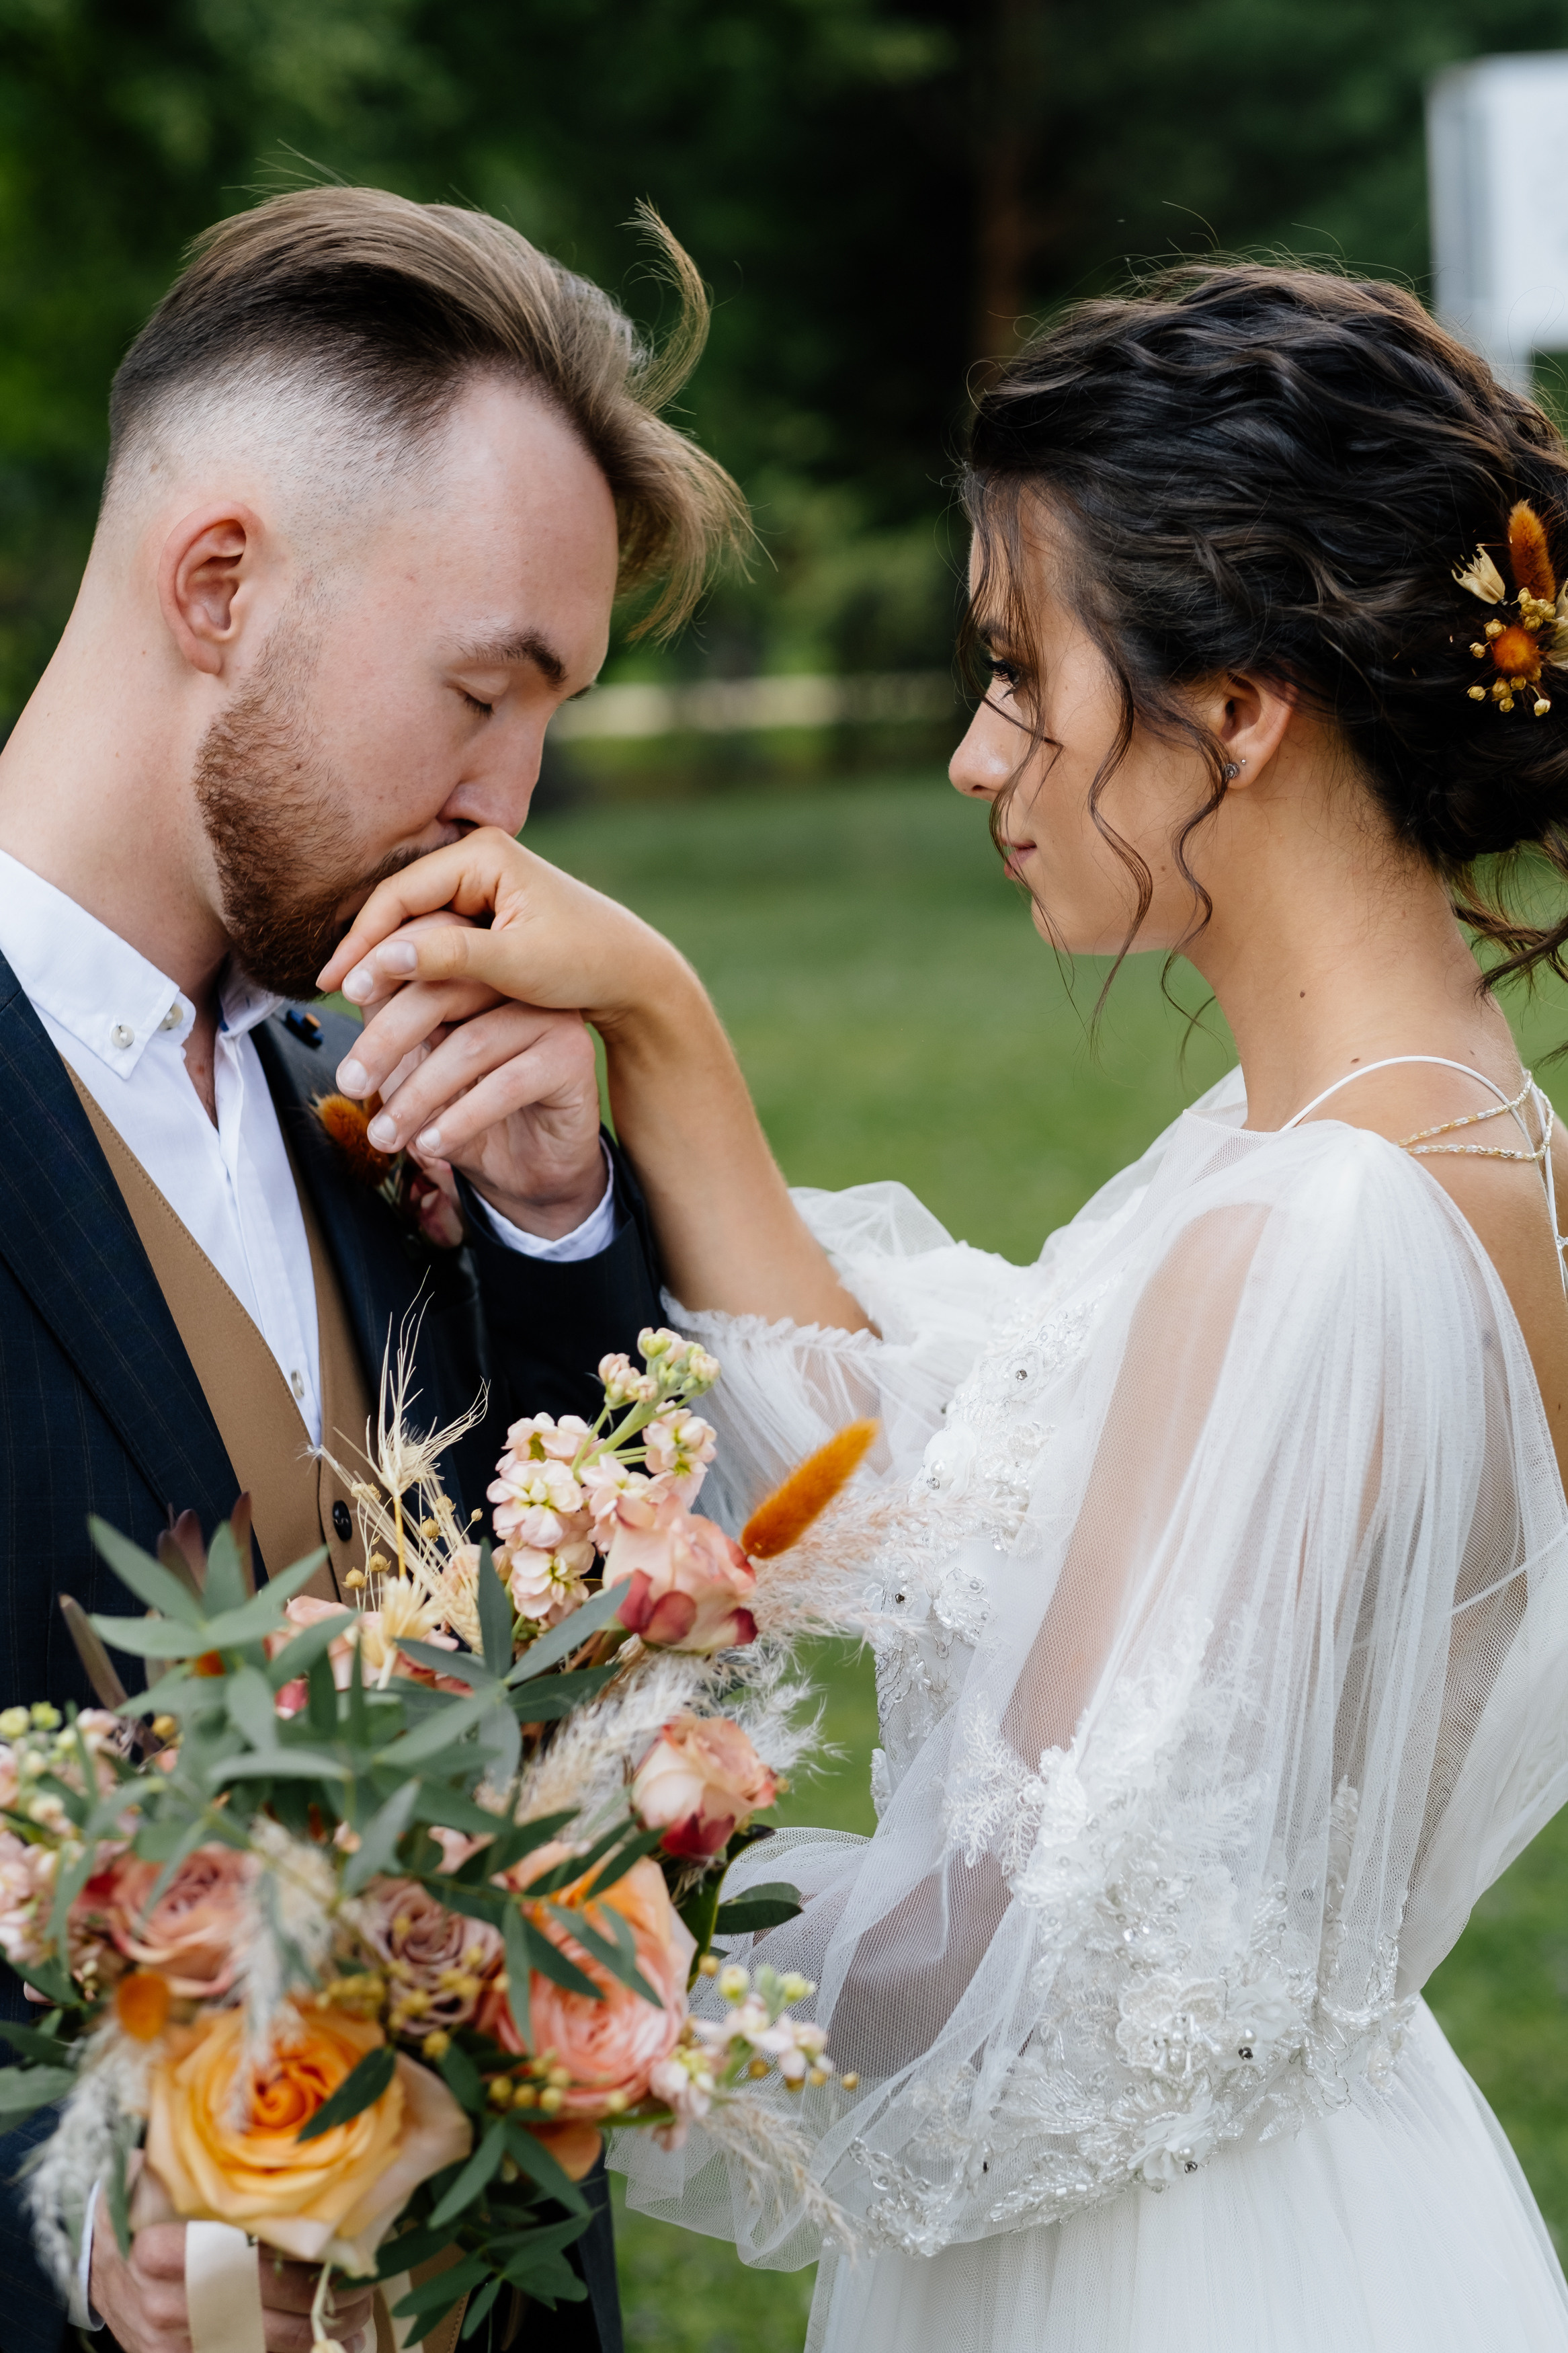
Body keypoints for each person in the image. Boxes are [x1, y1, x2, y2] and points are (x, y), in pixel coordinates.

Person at [325, 264, 1568, 2351]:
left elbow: (1002, 1974)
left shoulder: (1321, 1231)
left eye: (1022, 672)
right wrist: (662, 1023)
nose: (981, 752)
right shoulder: (1422, 1139)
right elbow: (968, 1503)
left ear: (1239, 704)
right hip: (1313, 2201)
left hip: (1169, 2277)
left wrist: (476, 1969)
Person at [0, 186, 744, 2353]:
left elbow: (619, 1677)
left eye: (551, 719)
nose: (510, 809)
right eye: (480, 694)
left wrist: (550, 1212)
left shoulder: (397, 1086)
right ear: (220, 583)